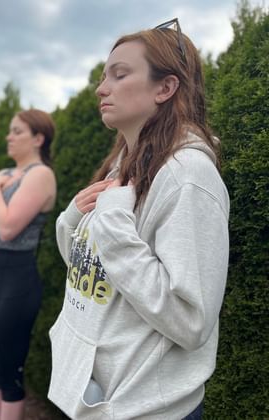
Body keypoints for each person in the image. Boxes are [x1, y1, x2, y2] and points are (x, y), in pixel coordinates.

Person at [48, 19, 229, 419]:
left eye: (120, 74)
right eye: (102, 76)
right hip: (95, 397)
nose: (101, 88)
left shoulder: (188, 176)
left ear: (165, 88)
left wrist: (112, 227)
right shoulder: (121, 167)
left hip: (148, 408)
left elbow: (191, 320)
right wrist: (71, 221)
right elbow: (96, 273)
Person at [0, 109, 57, 420]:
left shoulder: (40, 175)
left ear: (38, 138)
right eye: (10, 130)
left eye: (17, 131)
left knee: (8, 372)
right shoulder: (4, 175)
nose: (9, 136)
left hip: (14, 282)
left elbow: (7, 230)